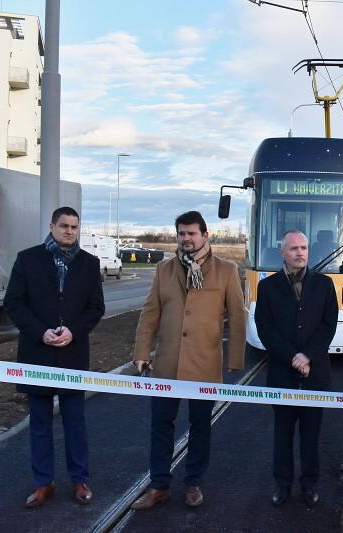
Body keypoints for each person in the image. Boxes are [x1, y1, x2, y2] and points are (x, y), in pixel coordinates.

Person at [131, 211, 246, 510]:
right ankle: (159, 486)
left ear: (205, 235)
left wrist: (235, 358)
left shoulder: (226, 270)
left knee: (200, 426)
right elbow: (150, 314)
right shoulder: (164, 270)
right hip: (167, 365)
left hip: (204, 365)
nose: (186, 239)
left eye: (192, 233)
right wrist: (142, 352)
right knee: (161, 426)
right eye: (182, 233)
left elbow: (237, 316)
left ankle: (193, 482)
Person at [4, 206, 105, 508]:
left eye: (74, 227)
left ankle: (80, 480)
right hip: (37, 354)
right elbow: (14, 302)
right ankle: (42, 482)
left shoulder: (89, 264)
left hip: (73, 355)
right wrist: (40, 332)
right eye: (64, 226)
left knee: (75, 423)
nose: (69, 231)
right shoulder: (28, 259)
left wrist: (73, 331)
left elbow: (95, 308)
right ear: (52, 226)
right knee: (39, 424)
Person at [255, 230, 338, 507]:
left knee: (311, 435)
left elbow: (328, 326)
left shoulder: (325, 284)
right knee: (282, 434)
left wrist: (308, 356)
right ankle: (282, 484)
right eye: (293, 248)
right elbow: (265, 329)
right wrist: (293, 357)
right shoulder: (267, 287)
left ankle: (309, 484)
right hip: (283, 374)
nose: (300, 252)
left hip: (315, 375)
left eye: (303, 247)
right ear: (282, 252)